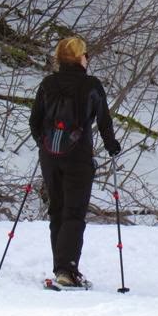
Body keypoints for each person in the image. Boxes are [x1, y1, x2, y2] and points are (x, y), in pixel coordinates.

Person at [29, 36, 120, 287]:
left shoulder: (48, 84)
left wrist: (45, 143)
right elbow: (104, 121)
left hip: (50, 156)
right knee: (74, 213)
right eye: (85, 54)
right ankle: (67, 270)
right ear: (80, 57)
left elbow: (34, 122)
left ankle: (61, 267)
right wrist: (112, 146)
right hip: (78, 156)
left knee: (57, 210)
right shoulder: (91, 85)